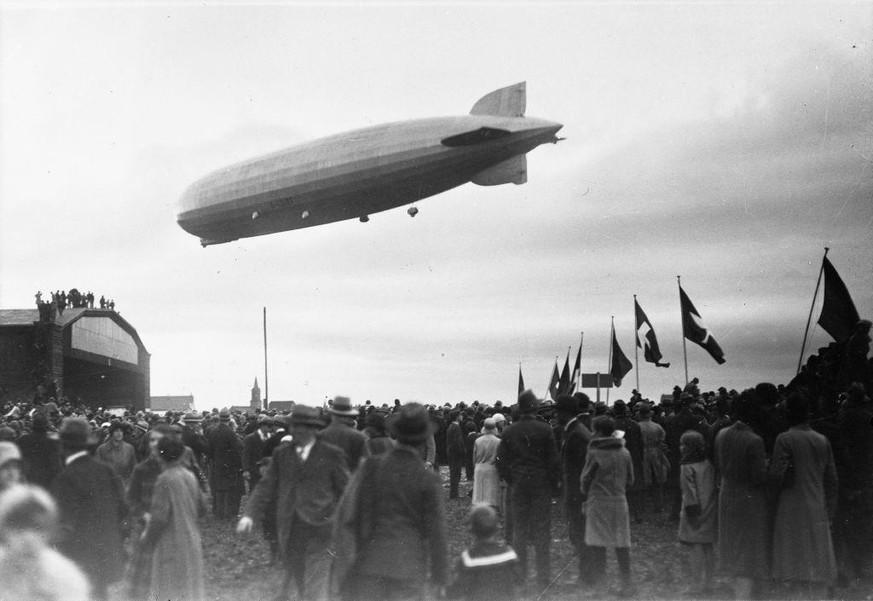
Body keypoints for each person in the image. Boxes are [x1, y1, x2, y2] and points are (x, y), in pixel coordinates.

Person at [331, 402, 448, 601]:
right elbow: (437, 534)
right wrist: (440, 578)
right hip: (409, 568)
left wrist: (343, 565)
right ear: (422, 441)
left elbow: (347, 515)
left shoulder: (370, 467)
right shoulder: (428, 479)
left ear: (396, 434)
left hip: (369, 564)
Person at [238, 405, 350, 601]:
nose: (298, 431)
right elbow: (265, 486)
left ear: (314, 429)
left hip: (321, 527)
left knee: (317, 582)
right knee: (298, 576)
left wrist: (345, 522)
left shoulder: (332, 454)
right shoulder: (282, 453)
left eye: (304, 427)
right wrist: (249, 515)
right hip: (291, 526)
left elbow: (346, 490)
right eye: (294, 426)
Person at [769, 393, 838, 598]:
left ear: (788, 414)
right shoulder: (822, 440)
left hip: (790, 507)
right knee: (817, 565)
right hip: (816, 505)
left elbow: (776, 476)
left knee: (792, 568)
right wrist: (831, 511)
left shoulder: (785, 439)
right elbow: (832, 479)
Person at [51, 418, 127, 601]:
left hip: (79, 561)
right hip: (106, 556)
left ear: (63, 447)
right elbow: (123, 510)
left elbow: (64, 526)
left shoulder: (65, 478)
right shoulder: (105, 470)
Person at [495, 390, 561, 589]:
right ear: (534, 407)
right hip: (541, 483)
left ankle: (520, 575)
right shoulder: (545, 430)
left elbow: (500, 461)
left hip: (519, 484)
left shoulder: (509, 431)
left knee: (519, 530)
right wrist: (553, 483)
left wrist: (512, 478)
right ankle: (543, 577)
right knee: (542, 529)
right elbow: (553, 460)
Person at [714, 391, 770, 600]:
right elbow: (759, 477)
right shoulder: (754, 439)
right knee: (748, 551)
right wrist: (767, 465)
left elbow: (720, 464)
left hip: (727, 493)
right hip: (749, 498)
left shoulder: (722, 434)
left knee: (734, 547)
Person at [141, 437, 207, 601]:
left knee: (167, 591)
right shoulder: (190, 476)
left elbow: (159, 519)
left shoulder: (164, 479)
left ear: (160, 455)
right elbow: (203, 509)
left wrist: (147, 537)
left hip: (170, 544)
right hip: (191, 541)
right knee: (189, 590)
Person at [0, 484, 90, 601]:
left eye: (37, 528)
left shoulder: (65, 576)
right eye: (19, 528)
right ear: (4, 530)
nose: (28, 539)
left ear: (48, 531)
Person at [580, 415, 636, 597]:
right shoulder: (624, 452)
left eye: (594, 429)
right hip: (620, 501)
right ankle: (627, 585)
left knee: (597, 545)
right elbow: (631, 480)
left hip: (598, 501)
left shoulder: (595, 452)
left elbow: (586, 478)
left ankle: (600, 586)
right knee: (622, 544)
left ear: (600, 431)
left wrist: (586, 491)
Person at [446, 504, 522, 601]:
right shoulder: (508, 554)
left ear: (472, 531)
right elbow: (520, 581)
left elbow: (457, 589)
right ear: (497, 528)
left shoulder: (469, 558)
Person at [677, 430, 717, 595]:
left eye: (682, 444)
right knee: (709, 546)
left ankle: (696, 584)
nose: (680, 447)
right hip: (711, 508)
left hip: (695, 510)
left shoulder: (687, 467)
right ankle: (710, 582)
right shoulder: (708, 463)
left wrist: (692, 513)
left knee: (696, 547)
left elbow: (689, 492)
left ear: (688, 447)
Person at [207, 409, 244, 519]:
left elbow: (210, 449)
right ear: (229, 419)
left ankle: (218, 512)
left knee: (218, 488)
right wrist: (239, 465)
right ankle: (228, 513)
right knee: (229, 489)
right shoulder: (230, 432)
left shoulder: (213, 431)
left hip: (216, 463)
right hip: (228, 465)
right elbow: (237, 450)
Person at [319, 396, 369, 472]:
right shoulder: (358, 436)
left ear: (333, 415)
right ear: (349, 415)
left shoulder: (321, 435)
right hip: (351, 478)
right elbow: (365, 463)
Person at [636, 402, 669, 516]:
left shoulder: (637, 426)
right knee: (657, 480)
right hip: (656, 453)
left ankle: (642, 507)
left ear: (640, 414)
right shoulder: (657, 426)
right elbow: (663, 439)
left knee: (643, 481)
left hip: (643, 453)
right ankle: (658, 506)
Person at [16, 413, 62, 489]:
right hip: (44, 482)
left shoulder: (22, 439)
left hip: (25, 480)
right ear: (47, 427)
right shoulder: (52, 443)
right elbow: (56, 466)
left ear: (32, 426)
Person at [95, 421, 137, 487]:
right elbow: (97, 469)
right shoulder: (102, 449)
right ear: (111, 433)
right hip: (108, 484)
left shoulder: (129, 448)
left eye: (121, 431)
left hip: (125, 484)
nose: (119, 433)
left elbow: (133, 467)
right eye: (116, 431)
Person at [472, 418, 501, 509]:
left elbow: (474, 457)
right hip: (492, 467)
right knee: (490, 492)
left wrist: (475, 467)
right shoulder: (498, 441)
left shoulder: (478, 441)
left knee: (479, 492)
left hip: (479, 466)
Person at [446, 410, 465, 499]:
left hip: (451, 453)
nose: (461, 416)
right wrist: (462, 451)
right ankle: (454, 494)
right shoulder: (456, 427)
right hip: (456, 454)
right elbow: (457, 442)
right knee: (456, 474)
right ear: (457, 416)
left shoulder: (451, 426)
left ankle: (454, 493)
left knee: (454, 473)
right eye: (460, 415)